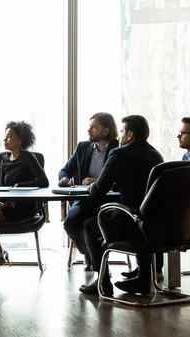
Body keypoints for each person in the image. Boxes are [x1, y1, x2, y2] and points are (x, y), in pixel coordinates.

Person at [79, 115, 163, 296]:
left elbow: (99, 190)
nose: (120, 137)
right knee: (139, 217)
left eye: (123, 132)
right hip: (156, 226)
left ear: (130, 135)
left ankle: (102, 281)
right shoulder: (157, 155)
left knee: (90, 225)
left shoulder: (119, 154)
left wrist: (88, 187)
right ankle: (143, 279)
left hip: (129, 226)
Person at [0, 121, 49, 279]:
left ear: (20, 140)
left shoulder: (29, 158)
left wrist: (19, 187)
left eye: (9, 137)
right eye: (4, 136)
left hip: (24, 207)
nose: (5, 140)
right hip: (6, 203)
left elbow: (43, 182)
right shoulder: (2, 159)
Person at [58, 112, 119, 271]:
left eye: (94, 127)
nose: (89, 130)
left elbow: (120, 178)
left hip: (108, 200)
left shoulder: (118, 149)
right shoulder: (83, 147)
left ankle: (96, 260)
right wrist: (64, 178)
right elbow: (65, 170)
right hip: (85, 199)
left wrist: (97, 180)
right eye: (90, 126)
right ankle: (91, 254)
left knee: (97, 225)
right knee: (70, 223)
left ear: (106, 131)